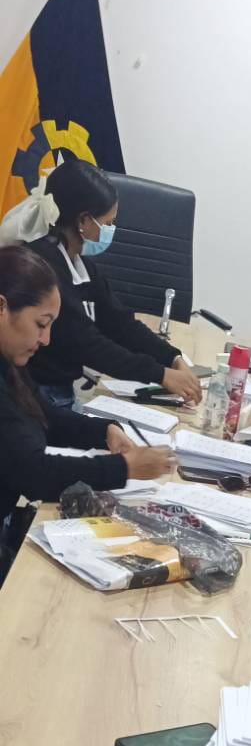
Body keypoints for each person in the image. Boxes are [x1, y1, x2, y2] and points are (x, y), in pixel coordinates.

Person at [0, 242, 172, 565]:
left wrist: (104, 431)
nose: (46, 340)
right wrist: (124, 468)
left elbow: (43, 414)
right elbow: (33, 473)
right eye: (41, 324)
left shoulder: (9, 361)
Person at [3, 158, 200, 410]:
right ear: (83, 221)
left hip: (61, 391)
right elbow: (88, 344)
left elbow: (120, 323)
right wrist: (161, 374)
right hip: (42, 396)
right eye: (107, 223)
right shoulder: (46, 269)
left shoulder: (79, 263)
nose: (110, 230)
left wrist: (172, 357)